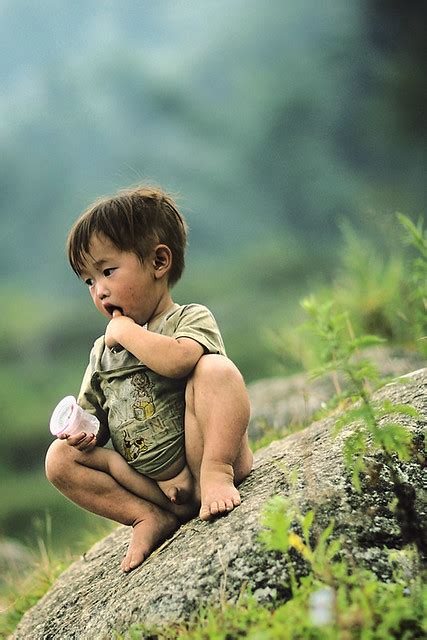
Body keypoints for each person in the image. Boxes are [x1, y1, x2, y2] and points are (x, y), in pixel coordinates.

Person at [45, 185, 253, 573]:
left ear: (159, 262)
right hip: (153, 487)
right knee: (59, 459)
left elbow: (178, 362)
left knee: (216, 370)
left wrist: (127, 333)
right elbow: (96, 422)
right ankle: (146, 517)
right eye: (89, 281)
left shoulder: (189, 319)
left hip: (200, 457)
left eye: (107, 272)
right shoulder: (102, 352)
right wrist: (83, 432)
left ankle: (217, 475)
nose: (100, 290)